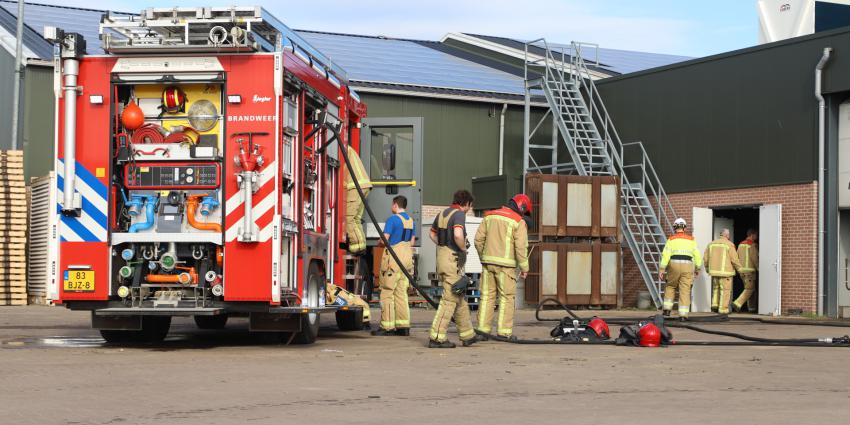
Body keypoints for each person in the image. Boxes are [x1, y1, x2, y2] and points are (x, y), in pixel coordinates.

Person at [473, 194, 531, 340]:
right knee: (507, 298)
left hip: (488, 264)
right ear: (522, 207)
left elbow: (478, 240)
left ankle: (482, 331)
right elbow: (521, 247)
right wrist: (524, 267)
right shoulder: (518, 221)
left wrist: (484, 257)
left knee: (487, 297)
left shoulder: (489, 216)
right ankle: (504, 332)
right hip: (506, 267)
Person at [427, 190, 478, 348]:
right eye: (470, 206)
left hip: (443, 257)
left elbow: (431, 234)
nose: (469, 209)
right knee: (449, 299)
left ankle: (467, 334)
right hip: (452, 260)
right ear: (467, 203)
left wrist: (443, 247)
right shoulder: (459, 214)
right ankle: (437, 337)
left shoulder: (442, 213)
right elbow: (457, 235)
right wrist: (462, 249)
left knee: (459, 296)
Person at [372, 196, 416, 336]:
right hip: (406, 261)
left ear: (395, 205)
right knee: (401, 294)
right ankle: (403, 327)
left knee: (387, 292)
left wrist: (379, 242)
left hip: (393, 261)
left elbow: (385, 239)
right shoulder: (410, 221)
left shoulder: (393, 219)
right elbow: (412, 242)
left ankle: (387, 327)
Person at [658, 218, 702, 320]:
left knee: (670, 286)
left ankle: (667, 310)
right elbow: (697, 255)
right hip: (687, 265)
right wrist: (698, 268)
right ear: (685, 228)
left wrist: (661, 269)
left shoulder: (671, 239)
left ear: (674, 228)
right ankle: (683, 315)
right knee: (685, 290)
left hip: (674, 264)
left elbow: (665, 255)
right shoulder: (691, 240)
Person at [704, 228, 742, 314]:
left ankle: (715, 305)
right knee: (725, 291)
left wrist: (707, 269)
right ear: (727, 235)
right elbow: (734, 259)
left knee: (716, 288)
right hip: (726, 273)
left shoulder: (711, 244)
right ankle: (723, 310)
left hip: (714, 272)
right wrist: (740, 269)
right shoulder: (729, 244)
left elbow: (705, 259)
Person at [344, 144, 372, 253]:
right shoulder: (348, 148)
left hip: (355, 185)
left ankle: (357, 246)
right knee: (356, 218)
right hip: (362, 185)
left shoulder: (342, 147)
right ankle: (361, 244)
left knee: (349, 218)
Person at [733, 229, 759, 313]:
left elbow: (736, 257)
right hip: (750, 271)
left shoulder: (740, 244)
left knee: (752, 290)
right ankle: (737, 303)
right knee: (749, 289)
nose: (757, 237)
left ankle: (752, 309)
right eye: (756, 235)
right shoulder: (752, 245)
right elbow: (754, 258)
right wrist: (758, 268)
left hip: (742, 271)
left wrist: (738, 269)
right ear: (752, 235)